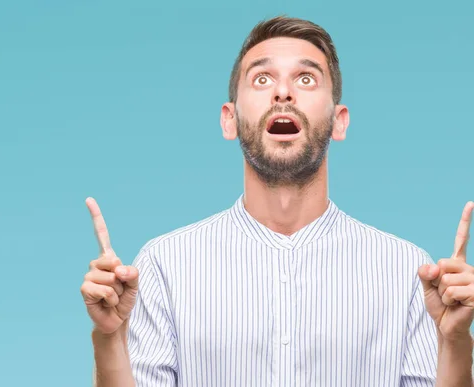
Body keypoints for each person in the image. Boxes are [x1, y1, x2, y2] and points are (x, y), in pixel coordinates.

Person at [81, 15, 474, 386]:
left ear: (339, 120)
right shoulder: (164, 265)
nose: (283, 91)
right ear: (229, 119)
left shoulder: (407, 272)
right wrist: (109, 338)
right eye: (262, 78)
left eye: (305, 78)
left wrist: (456, 341)